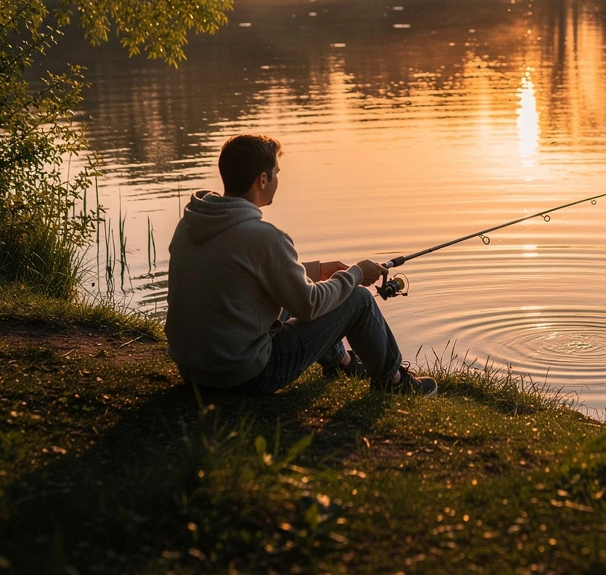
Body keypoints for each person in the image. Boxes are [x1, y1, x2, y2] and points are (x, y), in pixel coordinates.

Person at [165, 133, 437, 397]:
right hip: (243, 376)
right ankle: (394, 381)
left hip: (192, 369)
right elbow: (309, 306)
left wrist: (316, 271)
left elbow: (240, 273)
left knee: (291, 293)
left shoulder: (192, 223)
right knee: (359, 300)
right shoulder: (264, 237)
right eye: (276, 173)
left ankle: (341, 364)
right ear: (262, 179)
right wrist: (356, 274)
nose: (277, 180)